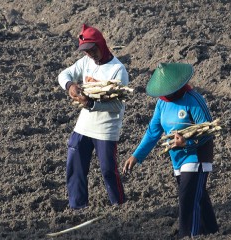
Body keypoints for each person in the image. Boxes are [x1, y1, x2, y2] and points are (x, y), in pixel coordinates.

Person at [122, 63, 219, 238]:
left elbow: (207, 133)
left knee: (187, 199)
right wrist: (136, 155)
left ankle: (188, 234)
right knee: (198, 195)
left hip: (197, 157)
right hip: (177, 159)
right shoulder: (162, 104)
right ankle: (212, 229)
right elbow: (153, 132)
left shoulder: (193, 100)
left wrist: (187, 143)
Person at [58, 24, 128, 209]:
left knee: (108, 170)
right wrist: (70, 85)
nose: (90, 54)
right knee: (75, 166)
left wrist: (91, 104)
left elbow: (117, 105)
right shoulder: (85, 62)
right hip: (84, 126)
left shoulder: (118, 70)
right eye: (86, 51)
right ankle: (78, 206)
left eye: (93, 49)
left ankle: (120, 205)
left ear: (101, 44)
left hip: (106, 128)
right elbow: (64, 74)